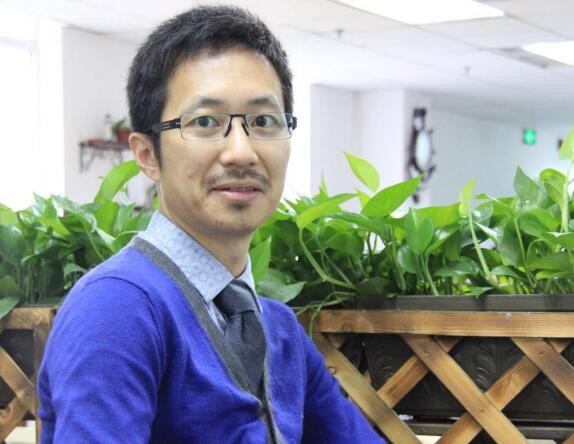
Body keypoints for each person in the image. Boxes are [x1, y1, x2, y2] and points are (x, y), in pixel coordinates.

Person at [38, 6, 386, 443]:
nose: (241, 152)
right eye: (205, 122)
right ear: (147, 154)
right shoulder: (119, 308)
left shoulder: (277, 328)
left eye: (263, 121)